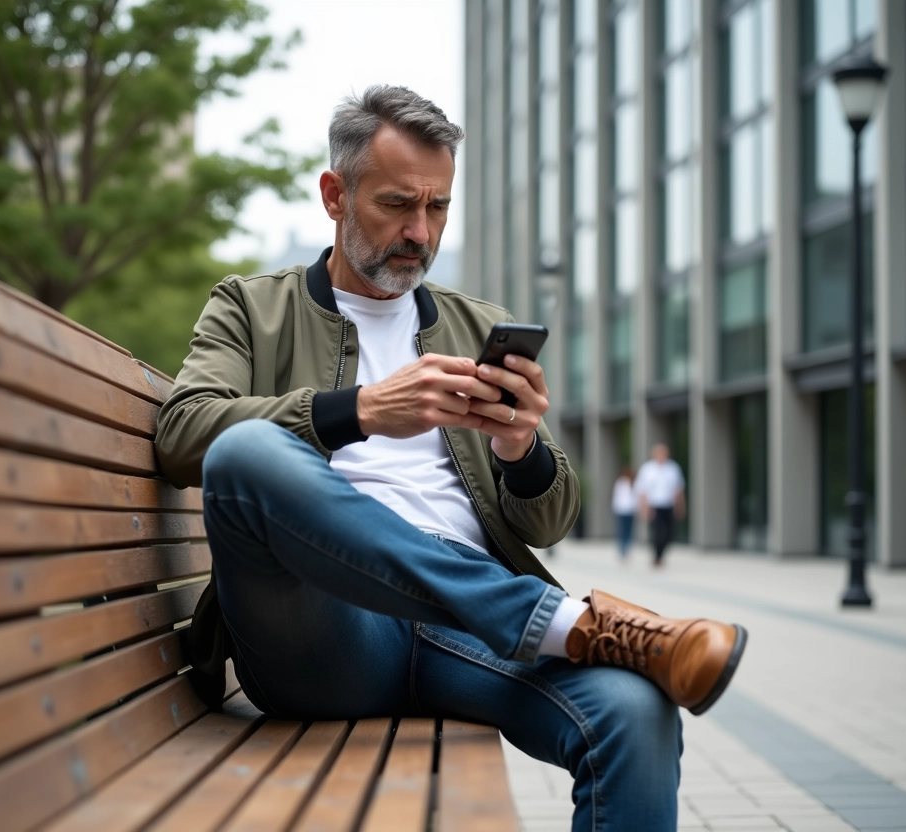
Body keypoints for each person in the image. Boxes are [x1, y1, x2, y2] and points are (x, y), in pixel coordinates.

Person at [155, 86, 745, 832]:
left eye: (438, 209)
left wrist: (518, 445)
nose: (420, 232)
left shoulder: (481, 325)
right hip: (322, 625)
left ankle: (556, 624)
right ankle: (567, 622)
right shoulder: (249, 307)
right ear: (335, 194)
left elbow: (550, 519)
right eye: (398, 205)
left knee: (636, 709)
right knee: (246, 451)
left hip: (466, 627)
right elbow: (183, 435)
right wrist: (362, 411)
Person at [635, 444, 687, 568]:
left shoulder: (673, 468)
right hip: (653, 505)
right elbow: (642, 490)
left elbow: (679, 489)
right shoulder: (647, 469)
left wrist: (680, 506)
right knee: (656, 532)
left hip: (668, 505)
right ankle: (657, 556)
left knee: (669, 533)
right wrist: (644, 507)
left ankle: (661, 554)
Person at [612, 466, 638, 561]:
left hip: (630, 510)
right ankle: (622, 549)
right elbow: (617, 496)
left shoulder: (634, 483)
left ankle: (626, 549)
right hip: (622, 510)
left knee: (628, 531)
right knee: (623, 530)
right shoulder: (621, 482)